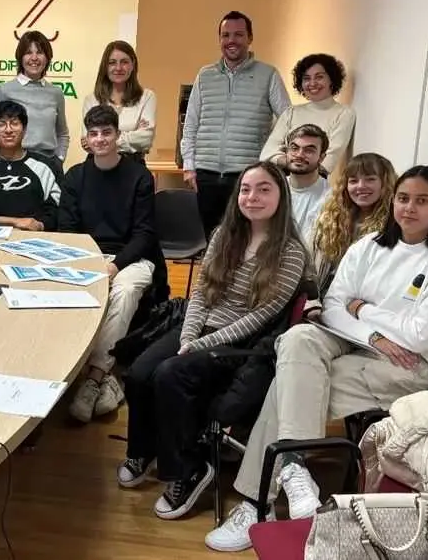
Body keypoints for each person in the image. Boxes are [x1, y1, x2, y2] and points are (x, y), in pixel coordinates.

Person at [206, 166, 428, 552]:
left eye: (422, 200)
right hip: (349, 341)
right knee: (298, 338)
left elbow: (419, 335)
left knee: (288, 387)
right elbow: (332, 307)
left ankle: (257, 501)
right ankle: (295, 469)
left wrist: (362, 309)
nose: (409, 208)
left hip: (404, 365)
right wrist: (373, 331)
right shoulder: (368, 248)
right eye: (403, 198)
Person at [118, 161, 307, 522]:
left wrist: (203, 344)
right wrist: (189, 335)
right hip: (200, 330)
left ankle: (187, 470)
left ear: (281, 196)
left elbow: (260, 317)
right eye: (246, 189)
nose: (252, 197)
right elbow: (201, 294)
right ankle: (143, 450)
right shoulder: (225, 234)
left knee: (170, 374)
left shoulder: (291, 252)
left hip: (241, 344)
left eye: (264, 189)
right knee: (139, 372)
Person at [60, 105, 157, 423]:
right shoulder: (75, 176)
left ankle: (94, 377)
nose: (100, 139)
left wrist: (115, 267)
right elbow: (68, 230)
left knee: (125, 291)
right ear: (86, 139)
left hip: (131, 258)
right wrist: (91, 263)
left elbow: (145, 233)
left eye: (107, 132)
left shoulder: (139, 176)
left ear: (118, 135)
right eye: (94, 133)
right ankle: (107, 382)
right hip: (88, 256)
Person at [180, 11, 291, 240]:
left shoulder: (267, 74)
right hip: (206, 175)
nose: (231, 41)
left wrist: (273, 159)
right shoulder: (205, 75)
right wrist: (190, 166)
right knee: (212, 242)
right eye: (225, 35)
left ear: (250, 38)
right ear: (219, 39)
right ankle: (214, 277)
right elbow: (190, 123)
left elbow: (288, 120)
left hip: (246, 176)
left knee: (245, 241)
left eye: (239, 34)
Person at [0, 100, 62, 231]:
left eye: (14, 123)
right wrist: (13, 222)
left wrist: (40, 225)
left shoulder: (47, 167)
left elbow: (58, 209)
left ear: (24, 129)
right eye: (1, 124)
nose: (8, 130)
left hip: (34, 240)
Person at [0, 30, 69, 163]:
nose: (34, 58)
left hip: (48, 164)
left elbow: (62, 133)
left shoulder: (56, 93)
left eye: (40, 52)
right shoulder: (5, 90)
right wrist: (0, 156)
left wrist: (59, 159)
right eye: (28, 53)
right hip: (14, 163)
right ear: (20, 57)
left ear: (48, 58)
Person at [309, 152, 397, 288]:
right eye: (353, 181)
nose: (361, 186)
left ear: (385, 183)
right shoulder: (329, 220)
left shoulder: (394, 226)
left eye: (370, 179)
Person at [261, 53, 357, 173]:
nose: (312, 83)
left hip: (319, 185)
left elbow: (330, 159)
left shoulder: (344, 113)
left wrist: (292, 160)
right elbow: (267, 153)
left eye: (319, 77)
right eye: (306, 78)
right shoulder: (291, 112)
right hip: (284, 183)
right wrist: (294, 163)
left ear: (332, 79)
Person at [80, 41, 156, 163]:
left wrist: (106, 140)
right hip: (98, 167)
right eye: (112, 63)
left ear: (133, 65)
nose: (118, 68)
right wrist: (132, 135)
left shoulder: (146, 97)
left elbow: (146, 139)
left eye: (124, 62)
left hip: (133, 166)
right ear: (105, 66)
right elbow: (87, 142)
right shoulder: (92, 99)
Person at [282, 124, 331, 247]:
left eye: (309, 150)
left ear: (321, 158)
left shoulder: (331, 198)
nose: (299, 154)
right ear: (287, 152)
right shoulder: (274, 189)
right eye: (294, 148)